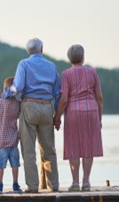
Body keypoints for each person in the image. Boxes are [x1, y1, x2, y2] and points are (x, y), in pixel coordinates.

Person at [2, 37, 60, 193]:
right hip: (48, 107)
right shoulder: (52, 66)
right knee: (49, 149)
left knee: (28, 150)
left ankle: (33, 186)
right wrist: (57, 115)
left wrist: (6, 94)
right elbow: (57, 92)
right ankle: (53, 185)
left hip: (29, 106)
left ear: (28, 51)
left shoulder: (24, 64)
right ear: (42, 49)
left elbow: (18, 87)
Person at [53, 44, 103, 192]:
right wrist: (99, 118)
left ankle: (75, 183)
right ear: (83, 57)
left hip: (73, 112)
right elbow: (99, 97)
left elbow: (63, 99)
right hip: (91, 111)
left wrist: (57, 118)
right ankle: (86, 182)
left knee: (73, 146)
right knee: (88, 146)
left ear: (69, 59)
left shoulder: (66, 74)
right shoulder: (92, 72)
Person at [0, 76, 22, 194]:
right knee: (15, 164)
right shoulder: (17, 104)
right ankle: (15, 184)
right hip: (13, 140)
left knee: (0, 165)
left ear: (4, 89)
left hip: (0, 140)